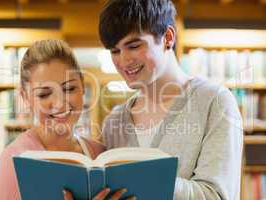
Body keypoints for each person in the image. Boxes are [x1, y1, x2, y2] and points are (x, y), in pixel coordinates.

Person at [97, 0, 242, 199]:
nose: (123, 61)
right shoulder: (114, 121)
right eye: (115, 51)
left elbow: (216, 195)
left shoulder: (215, 102)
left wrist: (145, 181)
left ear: (167, 37)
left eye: (134, 46)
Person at [0, 39, 131, 200]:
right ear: (26, 98)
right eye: (44, 94)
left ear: (83, 86)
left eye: (69, 88)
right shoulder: (13, 162)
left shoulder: (100, 154)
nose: (59, 103)